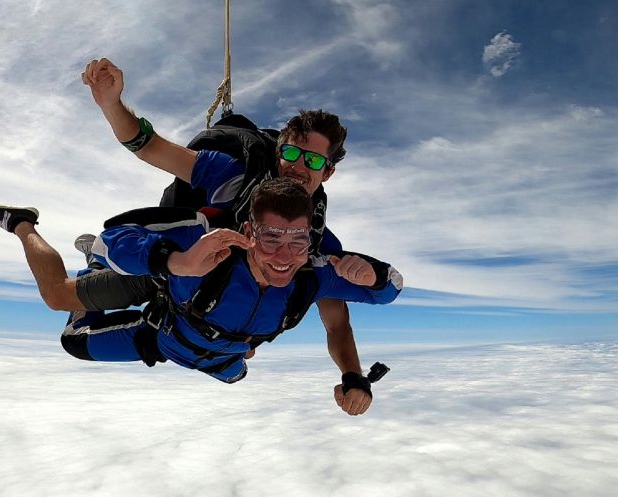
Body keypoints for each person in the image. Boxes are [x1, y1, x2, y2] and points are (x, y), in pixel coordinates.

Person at [79, 57, 394, 413]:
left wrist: (352, 375)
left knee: (235, 368)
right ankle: (96, 258)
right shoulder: (233, 176)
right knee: (73, 316)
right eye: (291, 152)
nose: (299, 166)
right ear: (279, 151)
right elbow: (151, 147)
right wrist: (112, 104)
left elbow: (336, 321)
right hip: (168, 269)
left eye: (315, 161)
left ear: (329, 171)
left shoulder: (315, 240)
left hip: (206, 311)